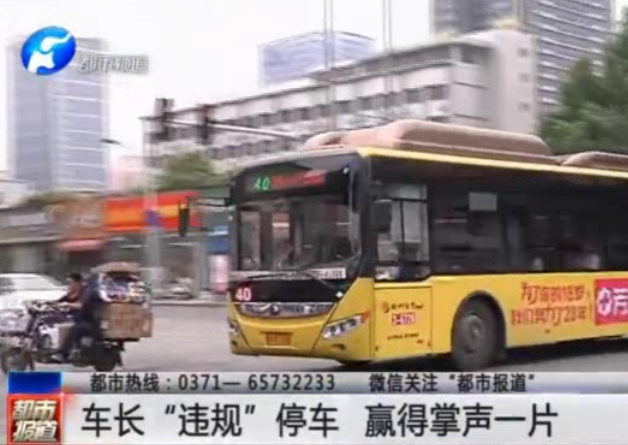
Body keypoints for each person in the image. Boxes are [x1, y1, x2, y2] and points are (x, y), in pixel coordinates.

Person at [54, 273, 104, 362]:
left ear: (78, 283)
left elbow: (80, 305)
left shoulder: (88, 292)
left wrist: (67, 304)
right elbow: (61, 300)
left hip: (90, 321)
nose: (69, 285)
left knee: (74, 329)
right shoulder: (75, 292)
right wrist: (48, 303)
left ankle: (64, 354)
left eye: (71, 283)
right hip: (80, 319)